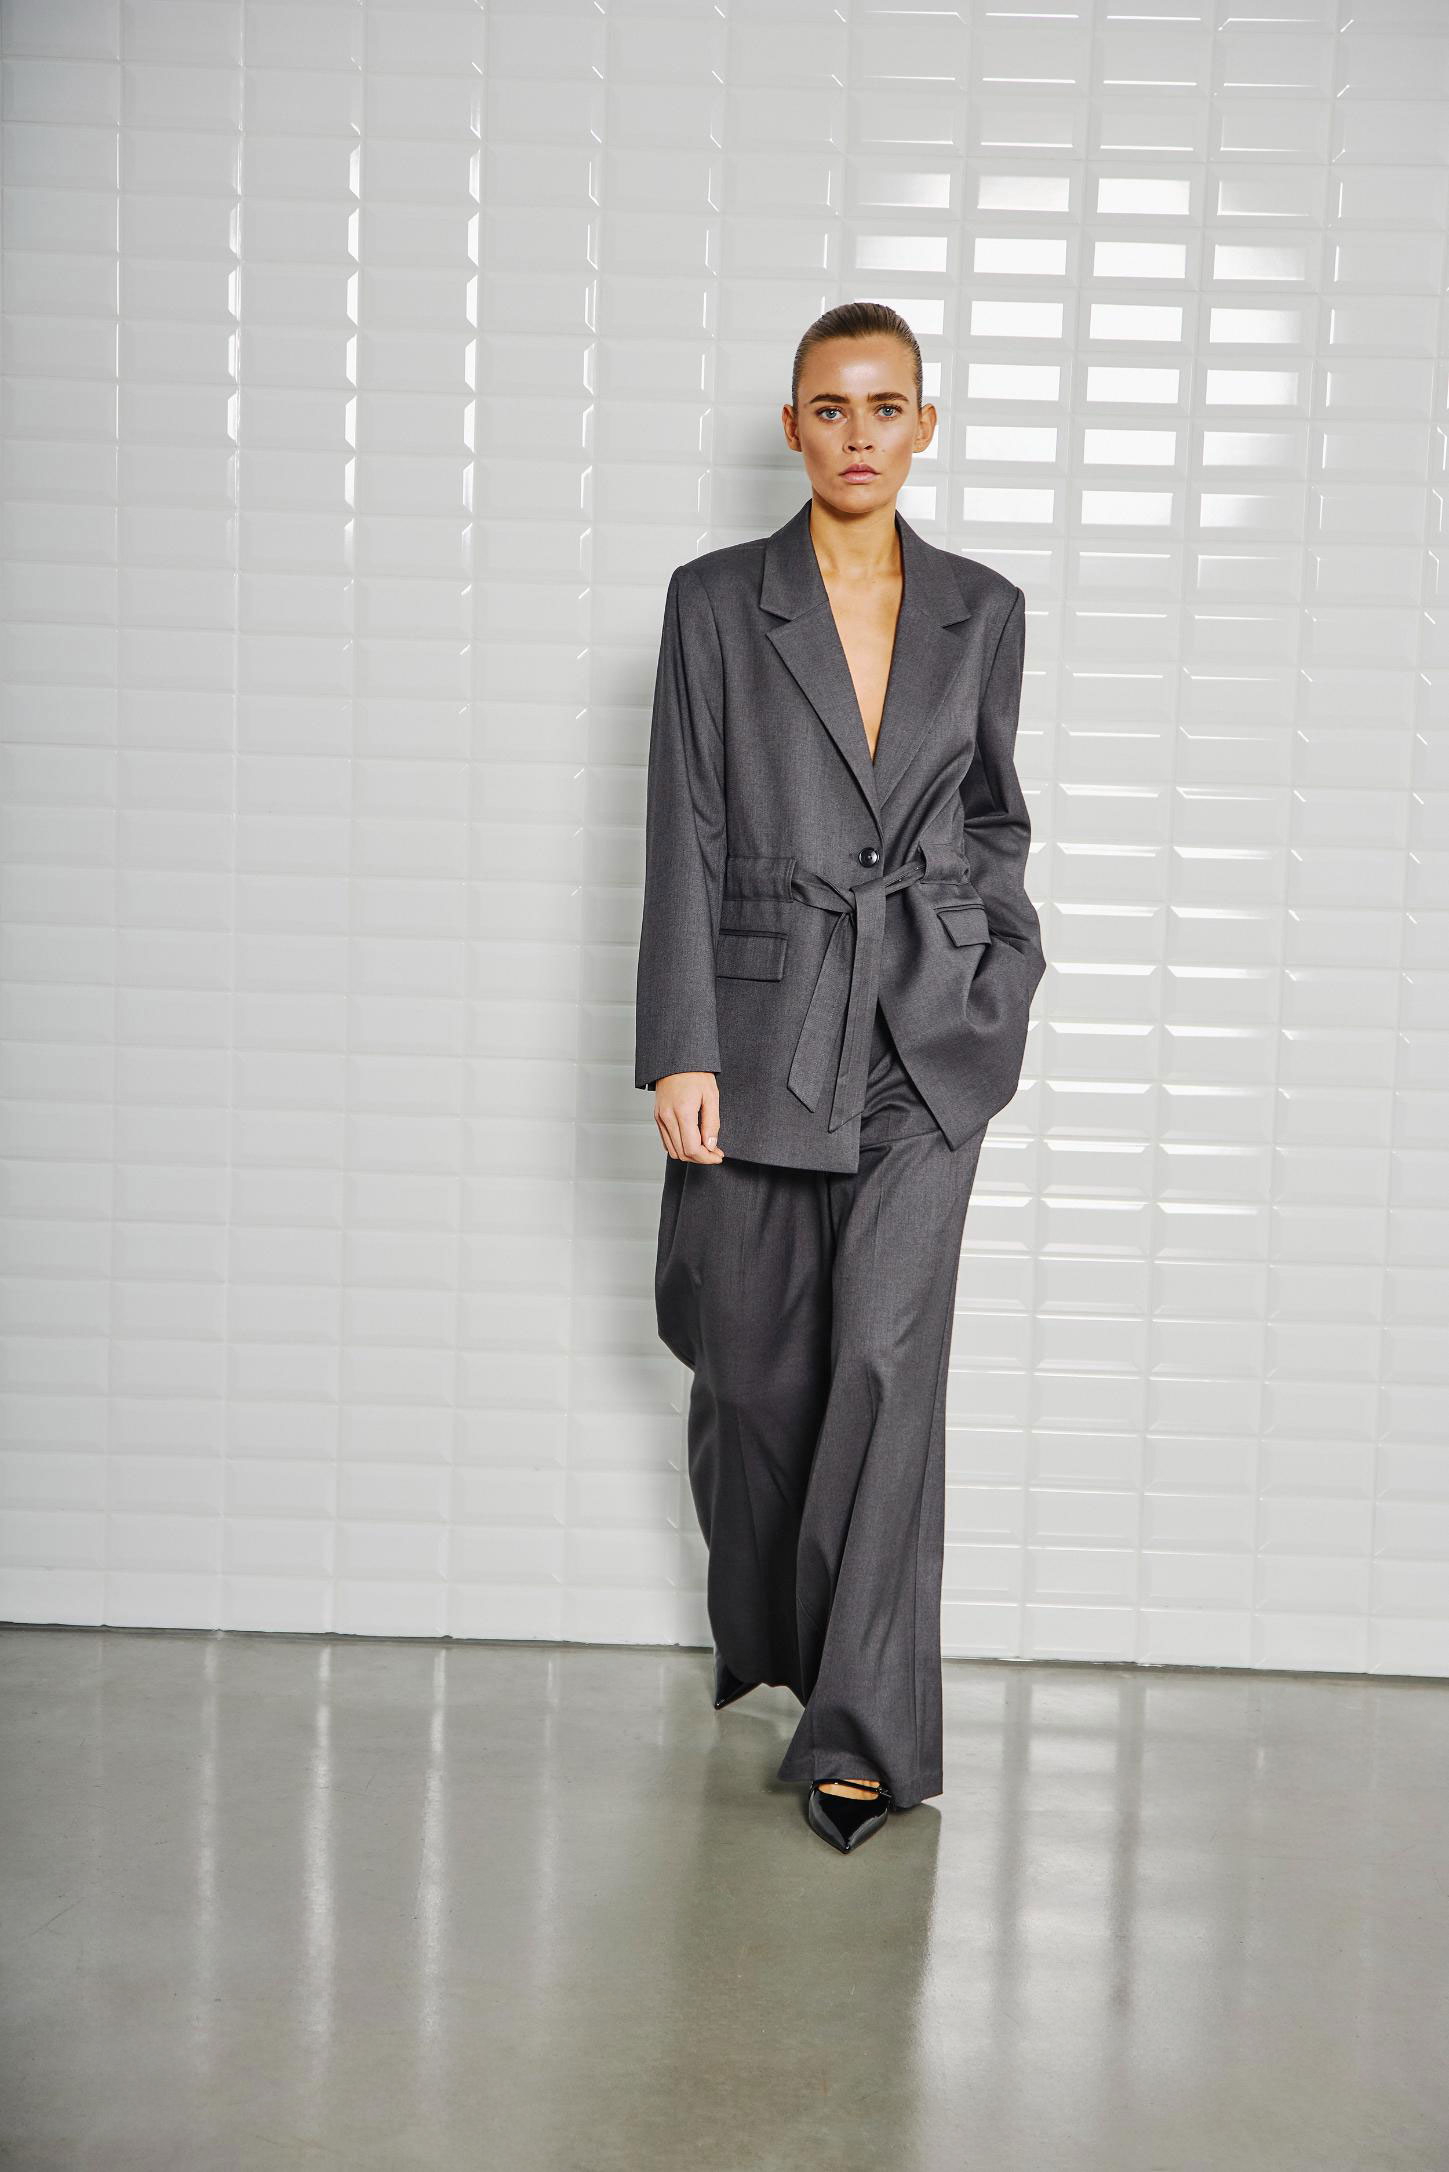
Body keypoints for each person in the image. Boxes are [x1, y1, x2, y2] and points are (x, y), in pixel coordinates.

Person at [634, 300, 1045, 1854]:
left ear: (923, 426)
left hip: (926, 1032)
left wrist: (993, 968)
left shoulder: (981, 609)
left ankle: (863, 1736)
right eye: (830, 407)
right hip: (758, 1024)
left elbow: (993, 816)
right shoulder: (714, 602)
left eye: (885, 408)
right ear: (792, 426)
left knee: (882, 1369)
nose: (858, 434)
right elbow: (683, 822)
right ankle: (778, 1640)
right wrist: (680, 1042)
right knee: (746, 1377)